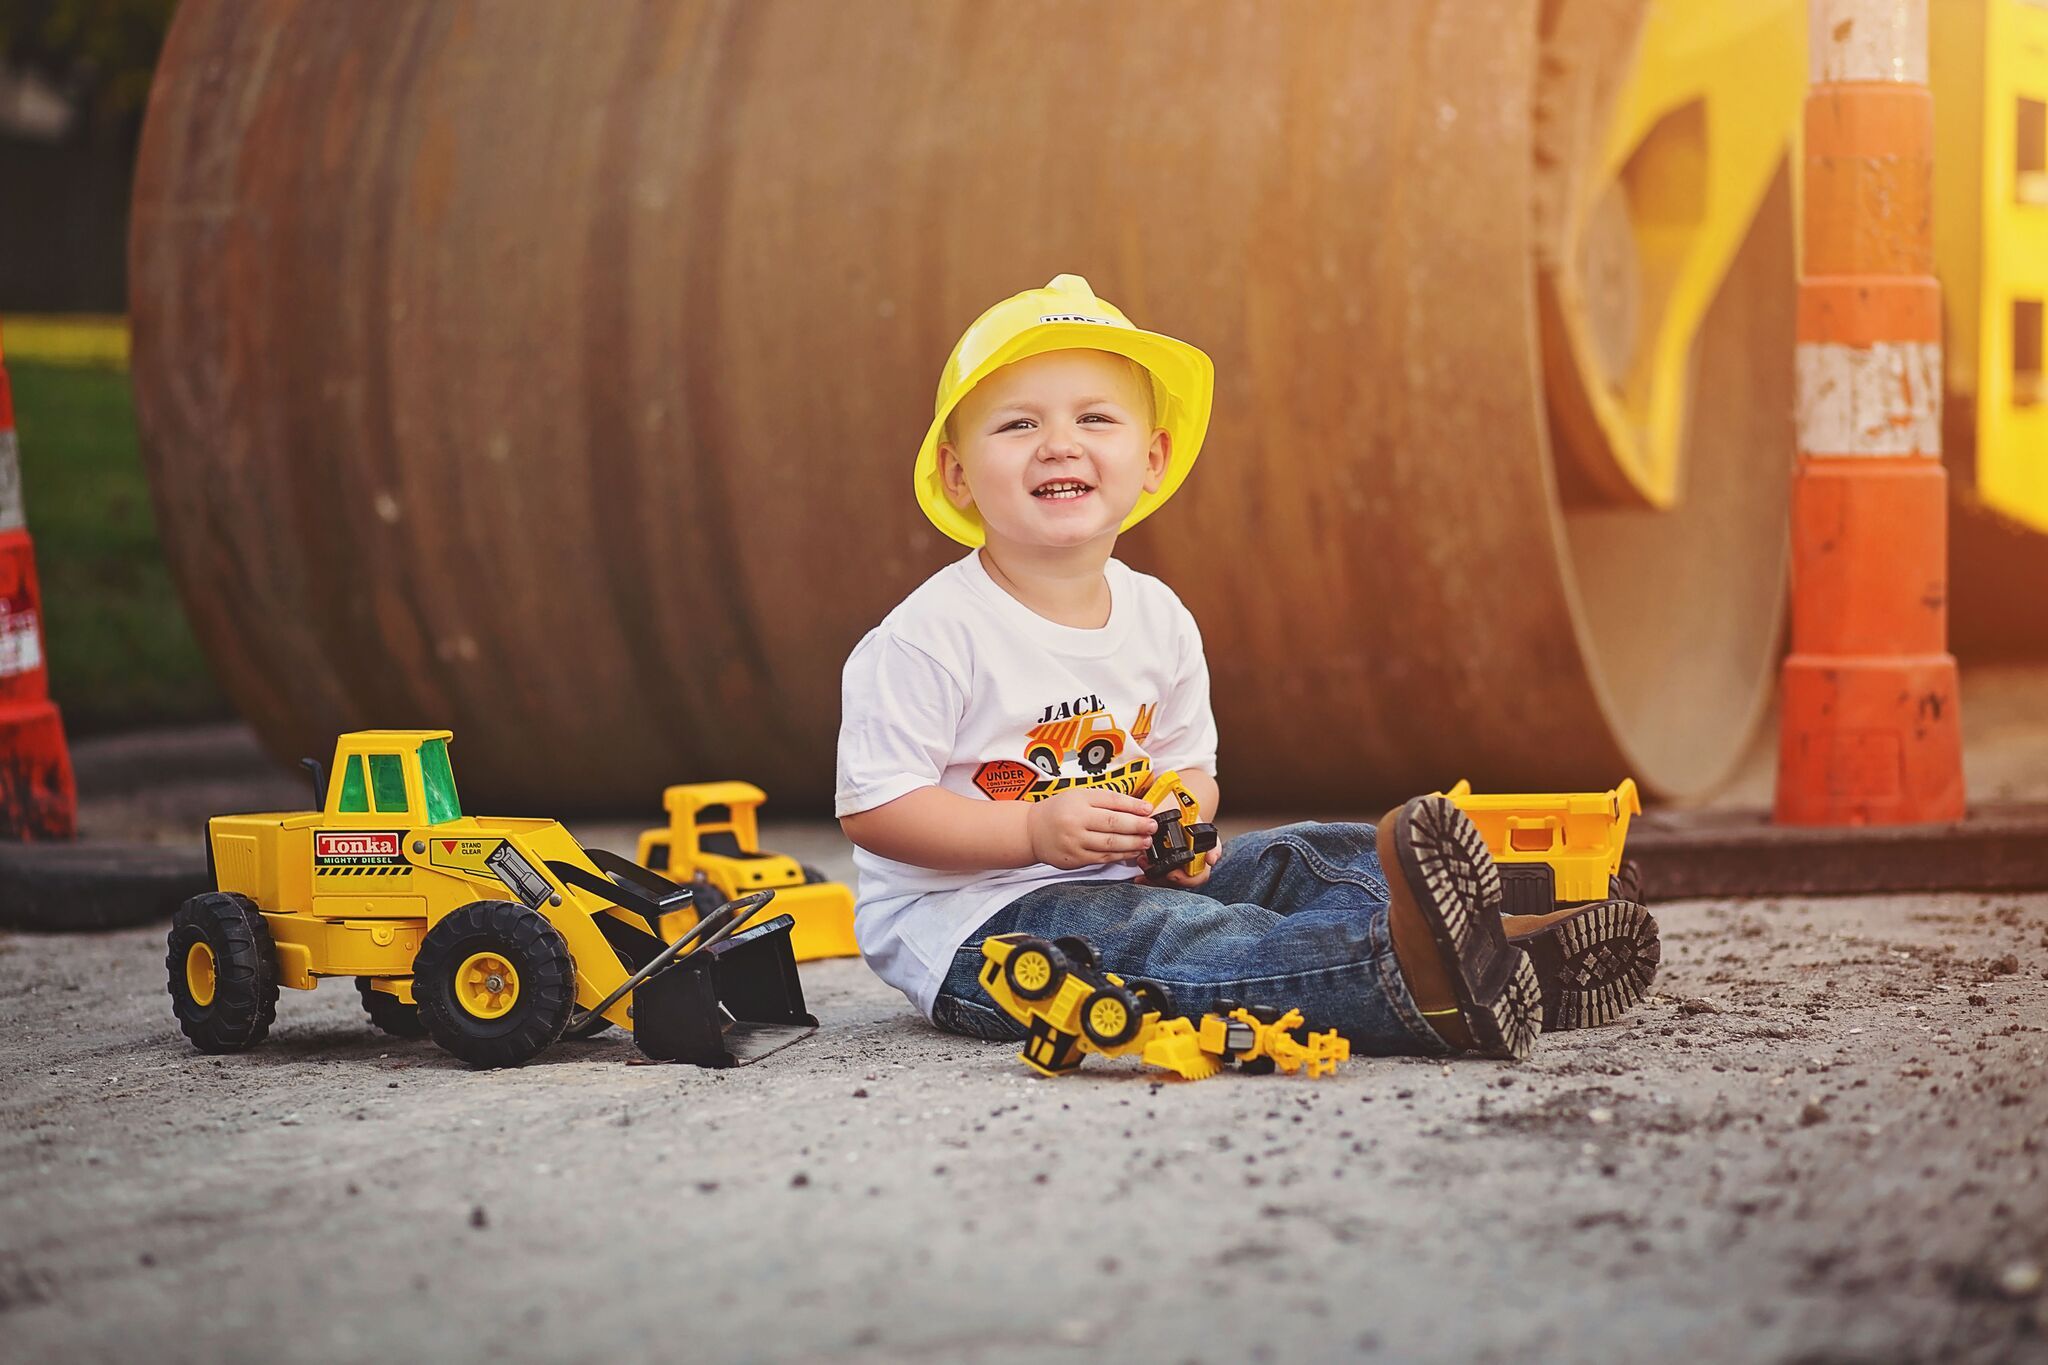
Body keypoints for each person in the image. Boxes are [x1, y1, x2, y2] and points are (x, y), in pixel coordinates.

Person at [834, 275, 1655, 1060]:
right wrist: (1030, 831)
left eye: (1094, 418)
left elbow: (1189, 768)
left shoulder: (1157, 616)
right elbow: (876, 808)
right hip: (985, 926)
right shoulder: (932, 635)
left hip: (1139, 881)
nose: (1059, 444)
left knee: (1308, 854)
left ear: (1151, 459)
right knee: (1185, 946)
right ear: (957, 474)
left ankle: (1522, 917)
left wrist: (1178, 824)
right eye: (1017, 426)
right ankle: (1401, 976)